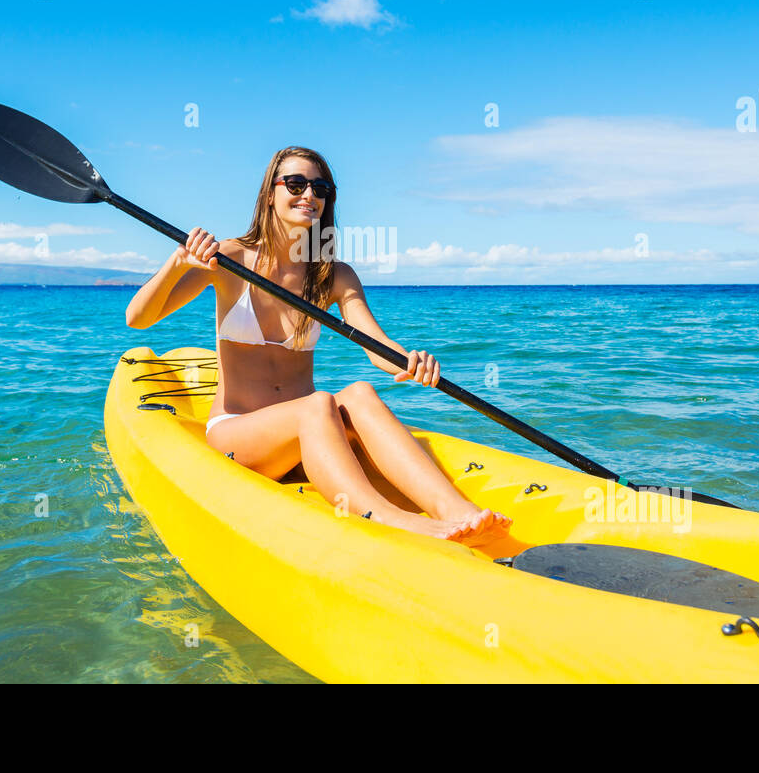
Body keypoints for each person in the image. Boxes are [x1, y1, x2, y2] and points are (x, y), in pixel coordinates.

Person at [125, 147, 511, 546]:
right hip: (239, 436)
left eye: (320, 187)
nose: (309, 194)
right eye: (295, 183)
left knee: (358, 393)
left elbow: (374, 343)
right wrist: (178, 263)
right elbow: (137, 318)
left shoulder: (333, 274)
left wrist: (411, 361)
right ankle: (393, 520)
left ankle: (457, 511)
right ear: (269, 194)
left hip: (309, 436)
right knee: (318, 404)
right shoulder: (230, 257)